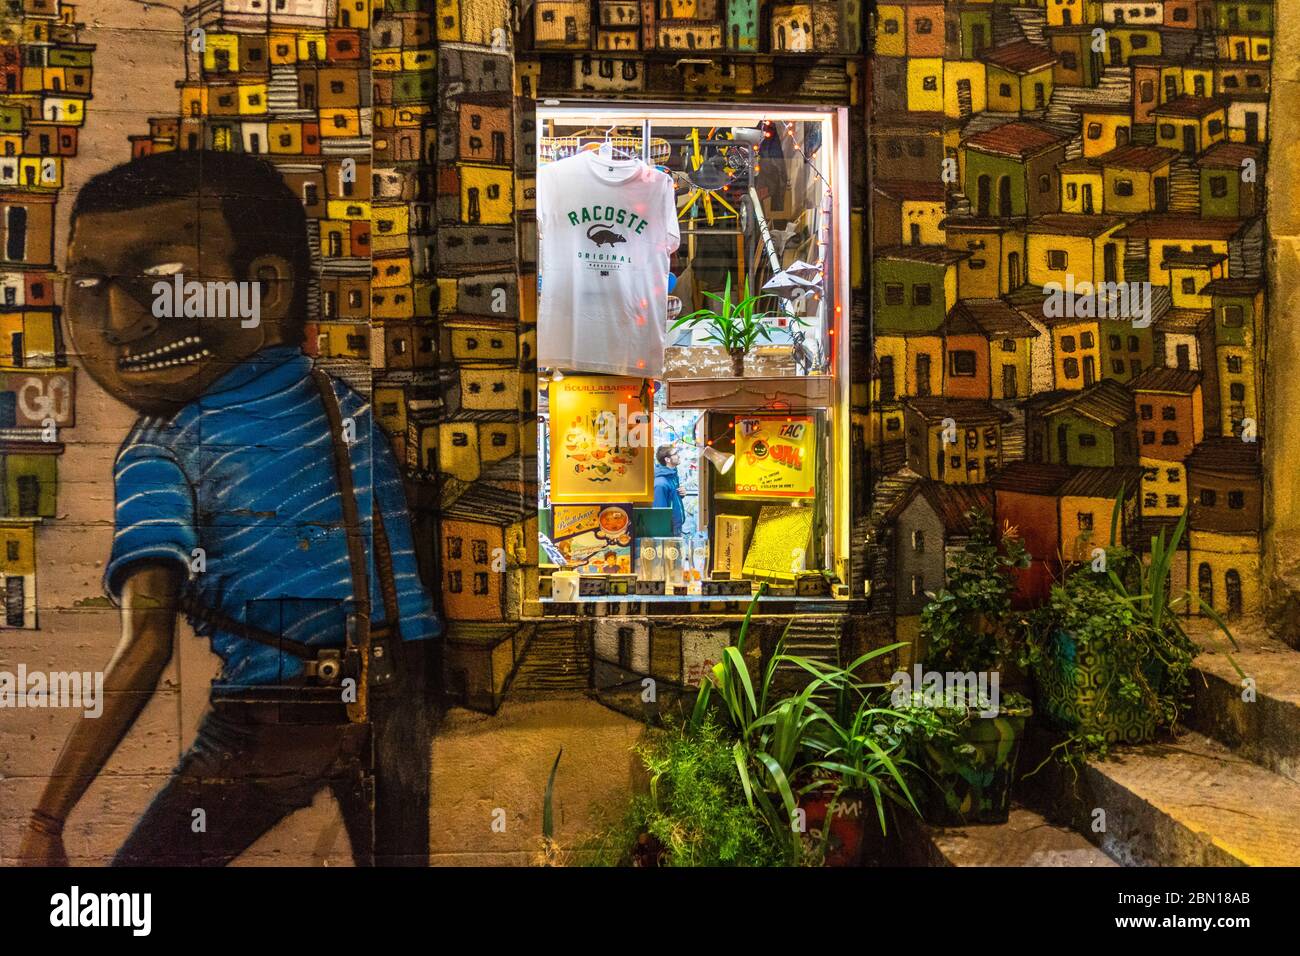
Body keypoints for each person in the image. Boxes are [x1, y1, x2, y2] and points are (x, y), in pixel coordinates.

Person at [17, 151, 440, 867]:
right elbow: (406, 598)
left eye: (164, 284)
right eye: (90, 286)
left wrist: (47, 817)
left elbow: (145, 647)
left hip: (269, 718)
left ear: (266, 289)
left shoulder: (164, 449)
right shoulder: (349, 411)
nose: (119, 322)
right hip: (394, 698)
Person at [653, 444, 686, 536]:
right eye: (675, 453)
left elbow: (670, 498)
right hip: (669, 532)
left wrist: (680, 494)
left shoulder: (672, 476)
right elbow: (660, 514)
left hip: (676, 528)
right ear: (667, 459)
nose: (678, 455)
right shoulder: (660, 484)